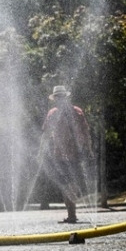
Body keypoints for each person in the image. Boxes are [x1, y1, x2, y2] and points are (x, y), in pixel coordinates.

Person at [40, 85, 93, 223]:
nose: (59, 100)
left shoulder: (66, 112)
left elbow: (45, 135)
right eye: (58, 97)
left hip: (69, 154)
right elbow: (46, 134)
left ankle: (72, 214)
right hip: (67, 154)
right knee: (68, 184)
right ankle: (71, 214)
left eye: (60, 97)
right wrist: (89, 149)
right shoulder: (74, 111)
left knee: (68, 184)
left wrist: (89, 148)